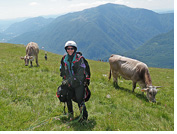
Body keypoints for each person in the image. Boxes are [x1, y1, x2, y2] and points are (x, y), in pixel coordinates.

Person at [60, 41, 90, 121]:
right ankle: (70, 115)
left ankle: (84, 118)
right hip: (69, 83)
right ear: (66, 49)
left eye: (72, 48)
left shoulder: (79, 59)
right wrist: (64, 79)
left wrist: (70, 80)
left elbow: (80, 74)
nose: (70, 50)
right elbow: (62, 70)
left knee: (80, 100)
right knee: (67, 98)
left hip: (78, 83)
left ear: (75, 49)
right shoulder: (64, 59)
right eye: (68, 48)